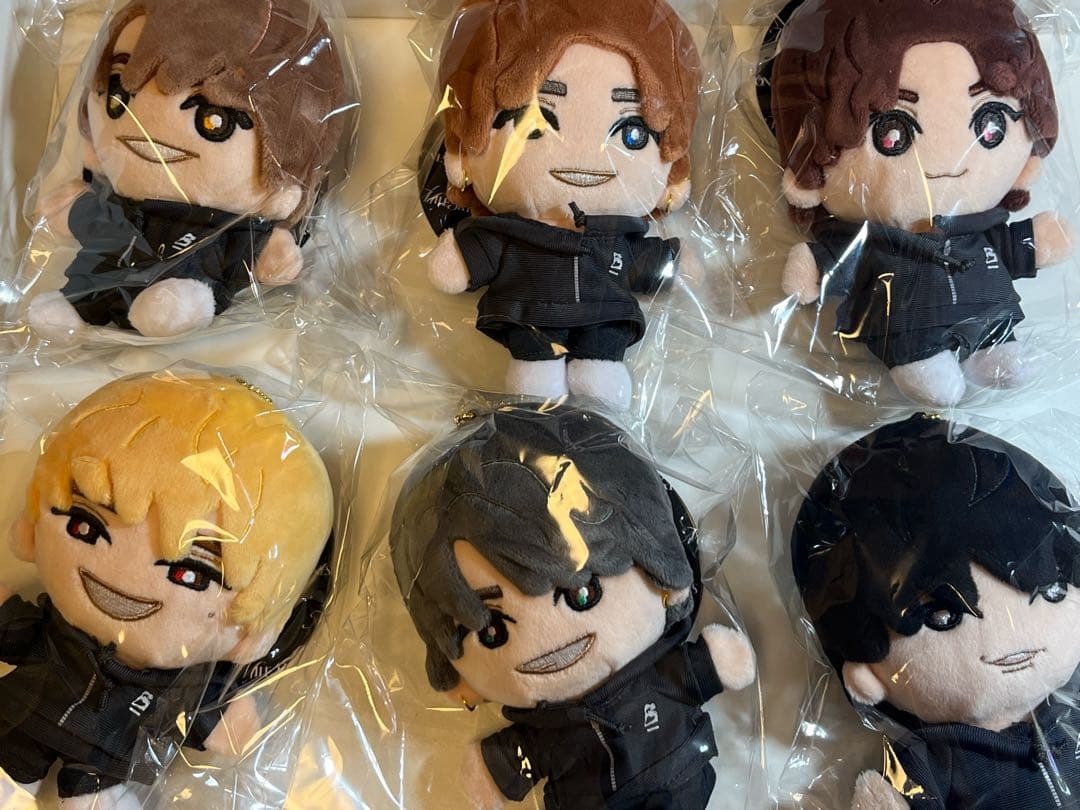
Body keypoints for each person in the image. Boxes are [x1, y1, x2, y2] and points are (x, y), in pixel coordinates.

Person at [390, 406, 756, 809]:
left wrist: (713, 661)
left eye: (583, 594)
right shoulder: (545, 732)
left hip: (684, 778)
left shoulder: (662, 678)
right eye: (493, 631)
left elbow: (697, 670)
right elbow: (519, 756)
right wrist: (496, 767)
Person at [0, 374, 334, 808]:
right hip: (17, 724)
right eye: (85, 527)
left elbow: (210, 713)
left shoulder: (181, 685)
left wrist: (228, 718)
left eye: (191, 575)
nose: (123, 576)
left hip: (103, 769)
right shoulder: (53, 633)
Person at [770, 0, 1074, 406]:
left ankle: (993, 345)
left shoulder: (981, 230)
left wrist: (1037, 239)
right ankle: (918, 360)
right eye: (891, 133)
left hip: (990, 315)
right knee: (926, 370)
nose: (948, 158)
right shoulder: (874, 242)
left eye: (991, 124)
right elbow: (841, 260)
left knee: (1003, 358)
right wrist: (815, 265)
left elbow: (1006, 246)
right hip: (909, 330)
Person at [791, 414, 1080, 808]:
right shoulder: (939, 762)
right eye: (943, 618)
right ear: (867, 676)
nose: (1012, 637)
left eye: (1050, 591)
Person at [426, 0, 701, 408]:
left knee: (601, 357)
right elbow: (474, 253)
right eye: (532, 123)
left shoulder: (617, 236)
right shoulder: (511, 233)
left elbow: (647, 259)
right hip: (529, 320)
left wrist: (675, 265)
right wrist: (458, 257)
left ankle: (598, 365)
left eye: (633, 133)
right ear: (466, 151)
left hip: (604, 318)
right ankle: (544, 370)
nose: (586, 156)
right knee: (534, 373)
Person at [27, 0, 346, 338]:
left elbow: (261, 252)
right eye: (119, 97)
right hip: (109, 260)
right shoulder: (117, 206)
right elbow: (83, 216)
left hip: (189, 284)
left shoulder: (229, 225)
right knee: (93, 272)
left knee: (180, 290)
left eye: (214, 120)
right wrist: (73, 203)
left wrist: (276, 244)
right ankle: (76, 304)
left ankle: (176, 304)